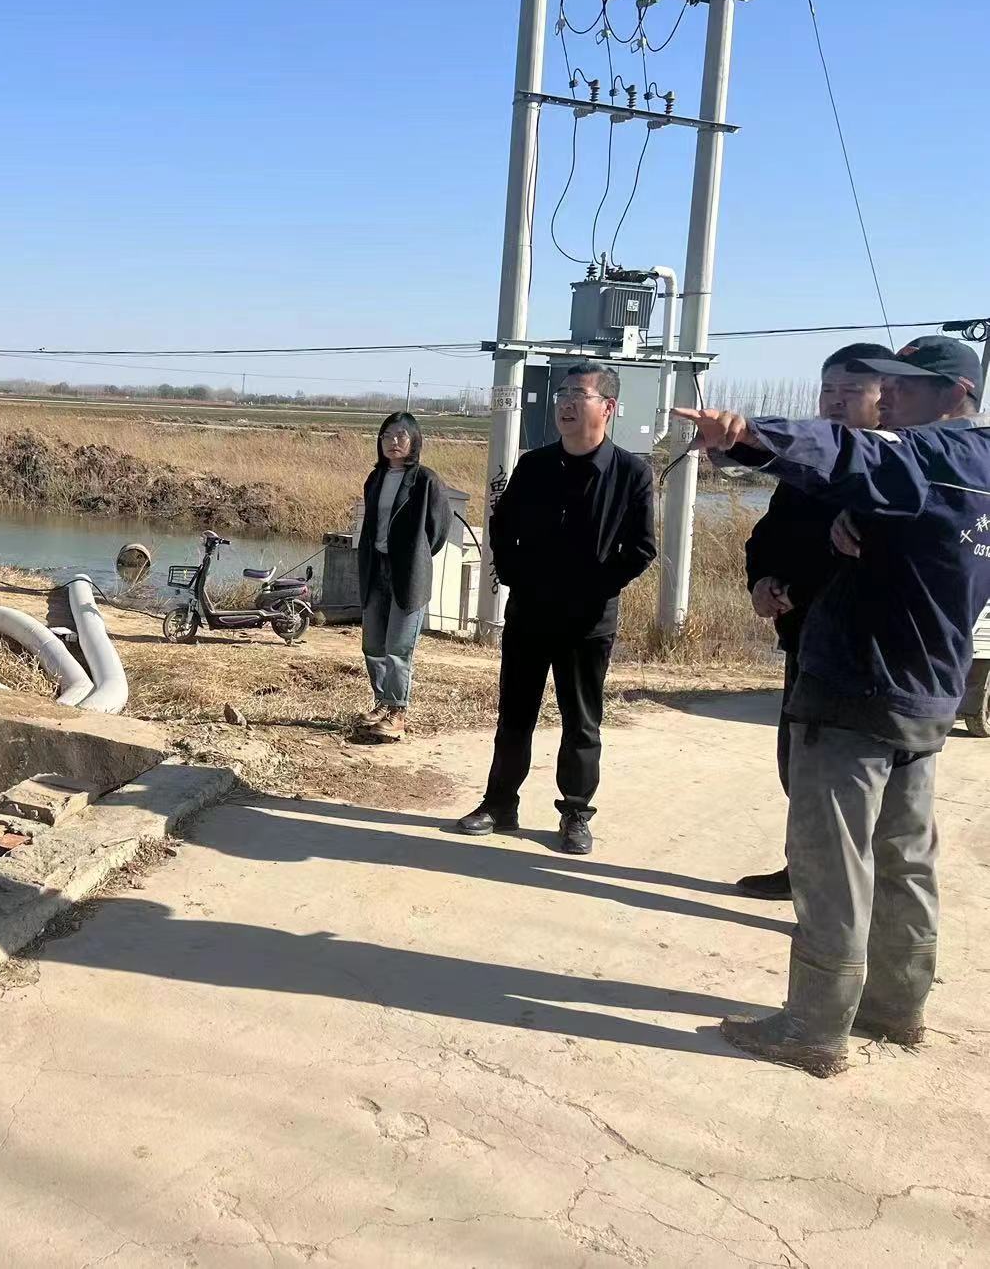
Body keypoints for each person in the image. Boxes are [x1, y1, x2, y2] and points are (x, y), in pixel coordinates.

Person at [678, 334, 987, 1077]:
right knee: (905, 857)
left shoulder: (928, 455)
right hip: (928, 688)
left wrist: (748, 434)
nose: (891, 397)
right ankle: (896, 1008)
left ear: (955, 396)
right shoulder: (977, 466)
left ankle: (813, 1030)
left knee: (830, 864)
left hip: (858, 687)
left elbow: (849, 453)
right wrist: (866, 532)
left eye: (907, 387)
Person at [456, 363, 657, 854]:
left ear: (607, 407)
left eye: (578, 395)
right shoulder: (535, 465)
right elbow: (502, 525)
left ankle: (575, 813)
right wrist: (515, 574)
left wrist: (594, 587)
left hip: (588, 621)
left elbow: (641, 548)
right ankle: (499, 804)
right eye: (562, 394)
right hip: (530, 613)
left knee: (581, 722)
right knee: (515, 714)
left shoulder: (630, 473)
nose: (565, 403)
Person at [737, 343, 897, 900]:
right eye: (828, 390)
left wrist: (798, 588)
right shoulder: (810, 469)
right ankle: (803, 870)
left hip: (865, 654)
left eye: (851, 391)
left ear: (885, 398)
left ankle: (847, 893)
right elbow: (768, 536)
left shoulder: (892, 471)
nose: (835, 401)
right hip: (804, 640)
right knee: (799, 763)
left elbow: (866, 562)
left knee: (851, 778)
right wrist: (762, 581)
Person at [354, 412, 452, 742]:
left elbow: (438, 531)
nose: (393, 442)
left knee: (398, 646)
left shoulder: (426, 480)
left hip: (408, 572)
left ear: (414, 441)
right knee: (373, 644)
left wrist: (414, 555)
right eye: (387, 436)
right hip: (376, 568)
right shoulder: (375, 478)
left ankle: (397, 712)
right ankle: (382, 701)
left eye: (401, 436)